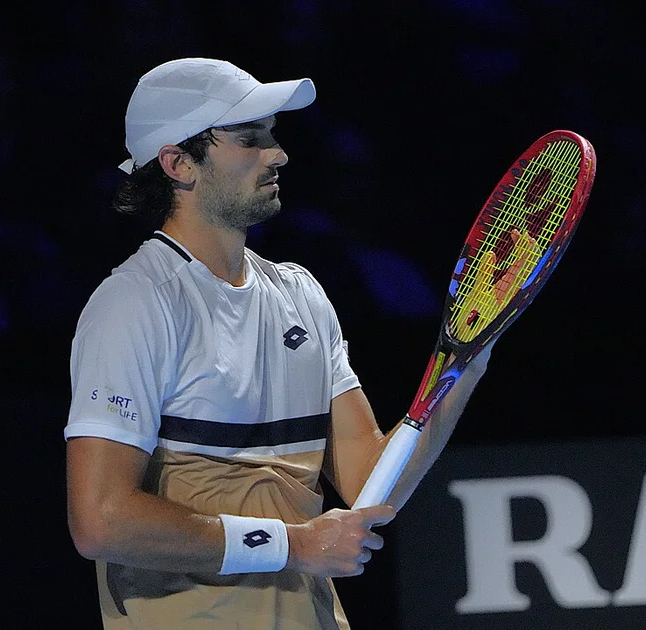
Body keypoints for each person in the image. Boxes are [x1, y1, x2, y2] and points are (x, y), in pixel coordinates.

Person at [63, 57, 491, 629]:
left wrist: (467, 364)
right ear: (178, 164)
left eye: (272, 134)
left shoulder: (301, 295)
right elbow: (101, 520)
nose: (278, 154)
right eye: (249, 138)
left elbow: (369, 483)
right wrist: (291, 545)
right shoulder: (135, 304)